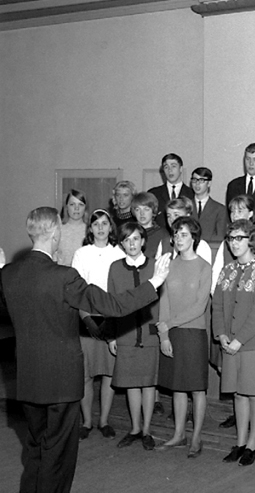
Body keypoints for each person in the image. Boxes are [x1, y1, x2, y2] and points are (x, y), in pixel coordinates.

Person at [0, 207, 170, 493]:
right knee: (58, 457)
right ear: (55, 233)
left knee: (35, 449)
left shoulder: (9, 274)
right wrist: (154, 282)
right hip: (62, 381)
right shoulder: (64, 276)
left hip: (28, 379)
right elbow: (112, 306)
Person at [212, 219, 255, 466]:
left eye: (239, 238)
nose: (234, 243)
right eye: (231, 238)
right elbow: (217, 305)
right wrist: (222, 334)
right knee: (238, 393)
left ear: (251, 240)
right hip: (230, 342)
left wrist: (239, 339)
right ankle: (239, 442)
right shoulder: (227, 270)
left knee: (254, 393)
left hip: (253, 343)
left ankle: (253, 444)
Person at [156, 217, 212, 457]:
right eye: (176, 235)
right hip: (173, 333)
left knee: (197, 388)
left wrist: (168, 324)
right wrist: (164, 335)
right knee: (178, 387)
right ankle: (179, 434)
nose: (179, 239)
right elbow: (164, 301)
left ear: (194, 238)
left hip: (194, 333)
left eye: (184, 235)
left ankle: (196, 437)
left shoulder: (203, 267)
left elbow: (200, 307)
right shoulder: (168, 265)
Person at [71, 209, 125, 441]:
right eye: (96, 224)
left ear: (110, 227)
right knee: (86, 374)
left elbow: (120, 291)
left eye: (104, 223)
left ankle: (103, 420)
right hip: (87, 319)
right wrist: (86, 319)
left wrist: (112, 322)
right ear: (90, 228)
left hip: (111, 319)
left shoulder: (119, 252)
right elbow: (77, 290)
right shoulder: (82, 253)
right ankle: (87, 421)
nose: (101, 228)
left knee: (109, 373)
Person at [108, 222, 160, 451]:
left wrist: (161, 333)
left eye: (136, 239)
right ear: (121, 244)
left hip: (149, 334)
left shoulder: (155, 267)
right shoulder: (115, 268)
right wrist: (111, 336)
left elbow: (161, 303)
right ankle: (135, 428)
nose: (132, 244)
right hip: (126, 334)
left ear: (143, 241)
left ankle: (147, 429)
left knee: (148, 383)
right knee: (131, 384)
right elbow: (110, 303)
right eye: (127, 240)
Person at [148, 153, 194, 230]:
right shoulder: (153, 194)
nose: (170, 170)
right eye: (166, 167)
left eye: (173, 166)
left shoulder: (192, 194)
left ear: (181, 169)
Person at [191, 167, 227, 242]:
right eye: (194, 180)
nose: (197, 184)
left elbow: (220, 236)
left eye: (201, 180)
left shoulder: (220, 209)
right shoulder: (185, 206)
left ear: (209, 183)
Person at [131, 192, 170, 260]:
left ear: (153, 211)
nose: (142, 213)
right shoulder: (128, 232)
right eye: (137, 209)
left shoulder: (162, 234)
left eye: (146, 209)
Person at [57, 188, 87, 266]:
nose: (76, 208)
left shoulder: (90, 231)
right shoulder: (58, 230)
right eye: (72, 204)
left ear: (85, 208)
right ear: (66, 207)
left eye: (80, 204)